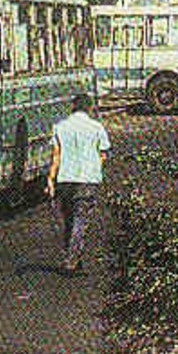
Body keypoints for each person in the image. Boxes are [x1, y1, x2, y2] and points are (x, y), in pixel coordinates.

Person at [46, 92, 110, 274]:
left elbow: (56, 155)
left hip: (65, 179)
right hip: (87, 179)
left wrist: (50, 179)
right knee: (81, 219)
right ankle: (72, 258)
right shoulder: (97, 128)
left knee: (68, 218)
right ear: (90, 108)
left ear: (72, 107)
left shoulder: (60, 127)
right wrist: (95, 169)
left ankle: (74, 256)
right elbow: (103, 154)